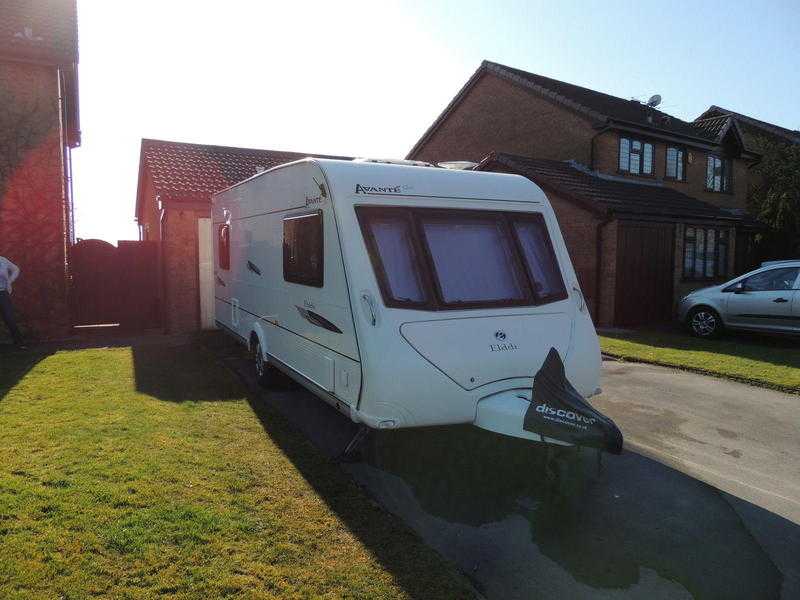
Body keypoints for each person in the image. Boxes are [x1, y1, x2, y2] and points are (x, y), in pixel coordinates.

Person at [0, 255, 26, 349]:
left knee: (9, 318)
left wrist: (10, 281)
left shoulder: (2, 260)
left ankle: (19, 343)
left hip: (2, 293)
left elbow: (16, 269)